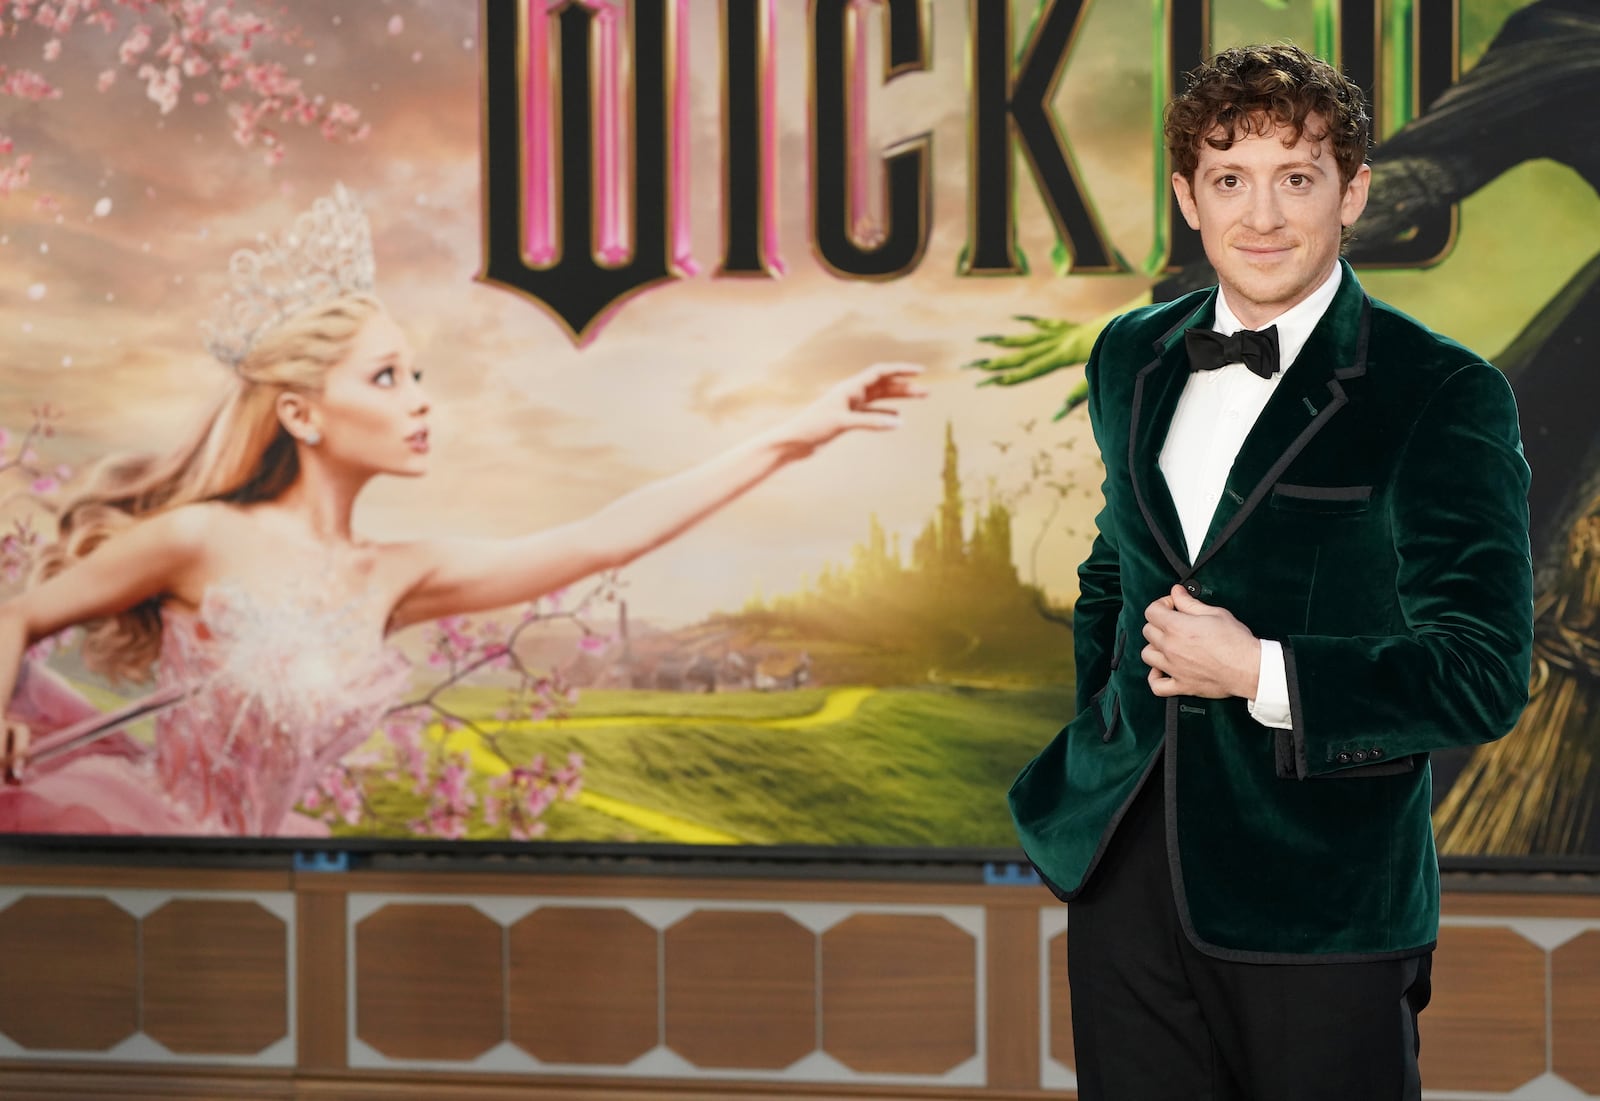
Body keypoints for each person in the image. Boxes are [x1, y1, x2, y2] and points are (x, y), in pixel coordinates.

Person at [0, 184, 924, 837]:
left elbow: (603, 534)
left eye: (419, 375)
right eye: (387, 377)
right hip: (144, 841)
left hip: (273, 869)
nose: (420, 400)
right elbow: (20, 616)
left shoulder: (399, 576)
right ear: (300, 412)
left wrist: (797, 434)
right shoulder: (204, 538)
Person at [1007, 43, 1533, 1100]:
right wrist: (1106, 737)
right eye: (1227, 179)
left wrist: (1258, 672)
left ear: (1354, 195)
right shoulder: (1131, 356)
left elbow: (1480, 673)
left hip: (1322, 894)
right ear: (1186, 200)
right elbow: (1113, 570)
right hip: (1123, 877)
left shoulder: (1440, 391)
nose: (1262, 216)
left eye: (1296, 178)